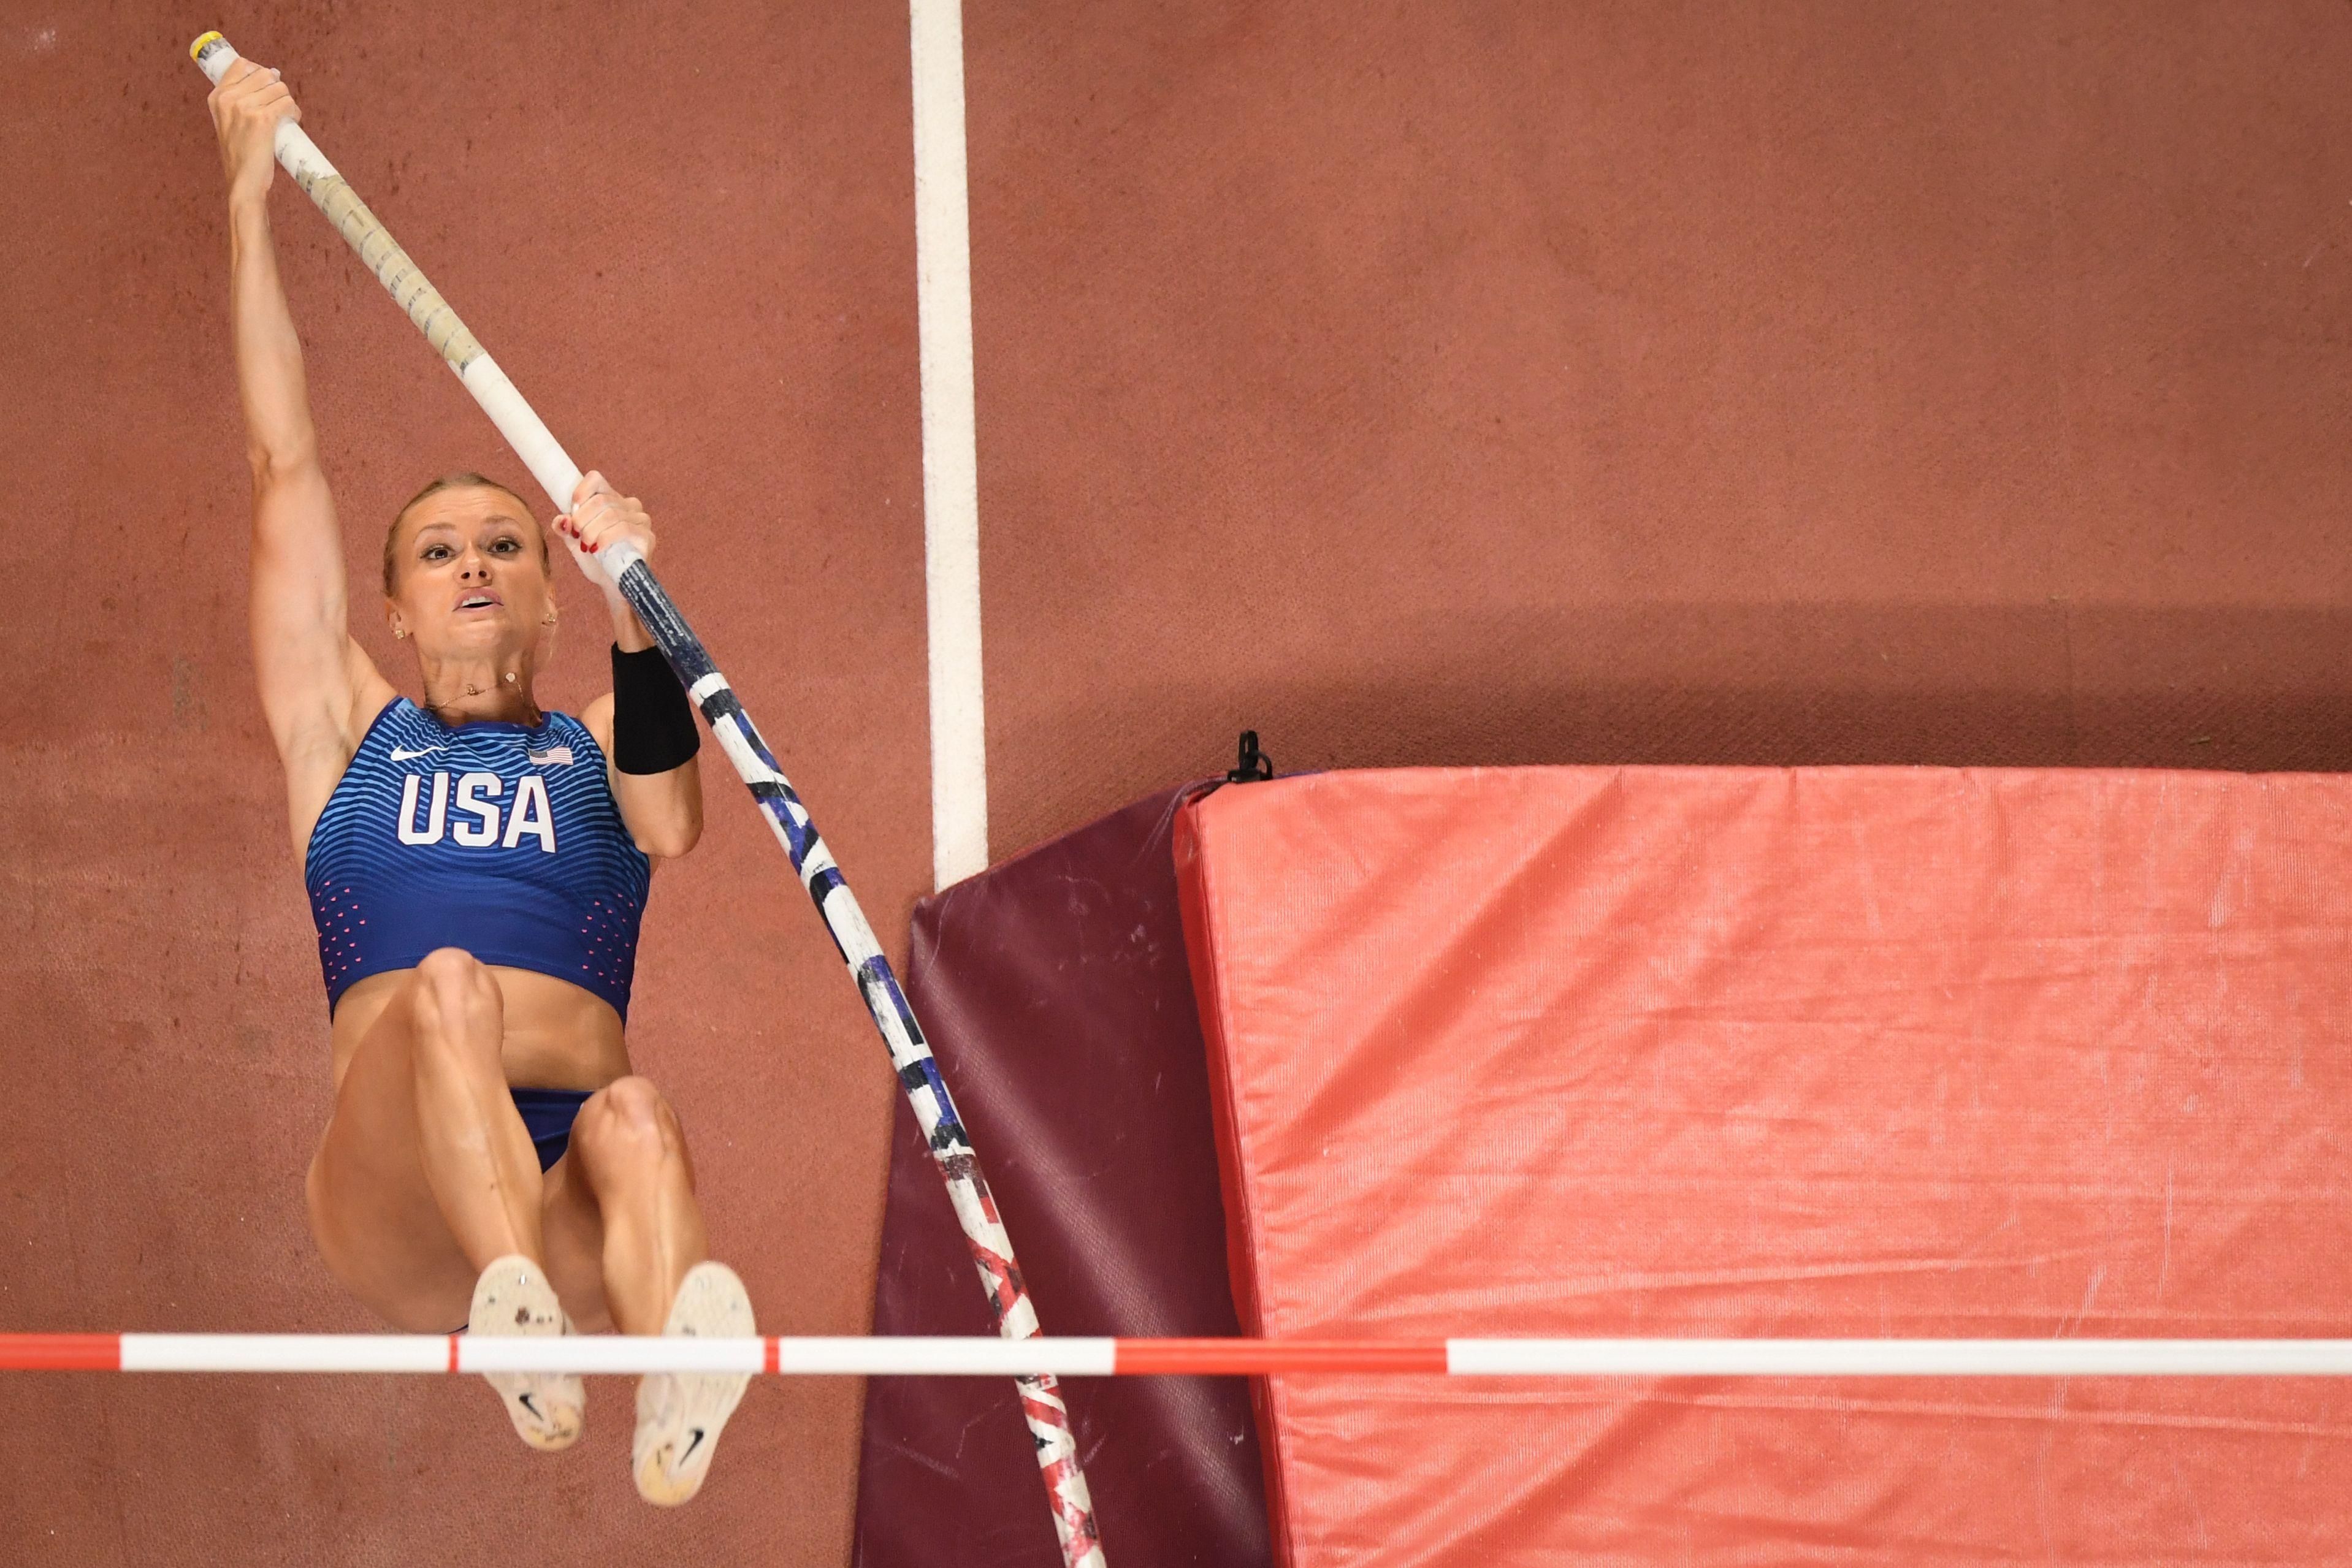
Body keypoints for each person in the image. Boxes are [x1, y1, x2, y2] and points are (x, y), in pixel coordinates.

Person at [208, 56, 750, 1505]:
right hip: (395, 1197)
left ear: (547, 600)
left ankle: (672, 1390)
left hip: (567, 1172)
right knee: (446, 980)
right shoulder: (346, 730)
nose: (473, 567)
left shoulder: (592, 741)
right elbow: (281, 462)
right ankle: (513, 1316)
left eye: (505, 546)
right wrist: (250, 194)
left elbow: (674, 824)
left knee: (638, 1116)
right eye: (440, 549)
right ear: (390, 607)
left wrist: (637, 600)